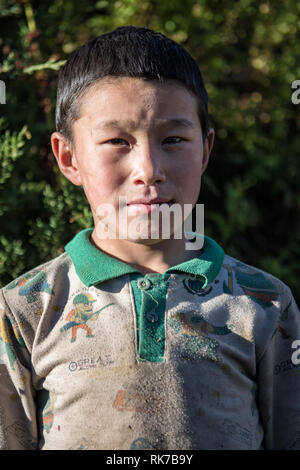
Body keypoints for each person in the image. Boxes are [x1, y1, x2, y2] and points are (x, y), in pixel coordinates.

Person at [0, 25, 299, 451]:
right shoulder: (26, 308)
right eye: (117, 141)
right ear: (68, 158)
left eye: (174, 139)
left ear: (206, 150)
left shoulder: (265, 305)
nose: (149, 169)